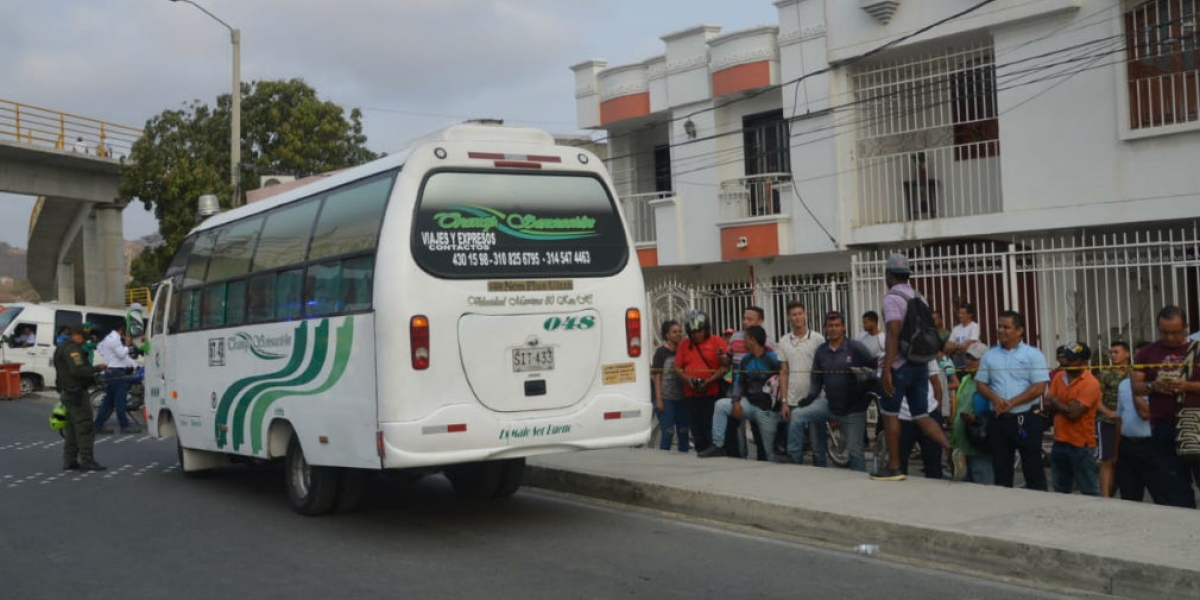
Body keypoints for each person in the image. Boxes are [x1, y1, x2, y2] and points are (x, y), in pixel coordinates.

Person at [871, 253, 952, 481]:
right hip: (921, 364)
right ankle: (950, 449)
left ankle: (895, 467)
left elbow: (894, 332)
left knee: (890, 415)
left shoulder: (891, 298)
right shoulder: (919, 296)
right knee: (922, 414)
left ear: (889, 275)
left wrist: (887, 368)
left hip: (900, 365)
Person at [785, 311, 876, 470]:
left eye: (837, 325)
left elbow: (874, 369)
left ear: (843, 328)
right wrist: (811, 397)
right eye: (830, 326)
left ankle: (860, 485)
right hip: (829, 405)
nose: (833, 329)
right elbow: (816, 379)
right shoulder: (821, 351)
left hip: (853, 411)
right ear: (825, 328)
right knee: (798, 415)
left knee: (855, 452)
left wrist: (866, 390)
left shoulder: (855, 348)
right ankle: (794, 459)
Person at [1132, 305, 1200, 508]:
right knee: (1174, 482)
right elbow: (1136, 387)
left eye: (1175, 332)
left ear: (1186, 327)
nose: (1170, 337)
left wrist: (1186, 386)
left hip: (1195, 423)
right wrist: (1154, 386)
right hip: (1163, 425)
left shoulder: (1197, 351)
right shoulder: (1147, 353)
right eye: (1164, 332)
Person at [976, 310, 1051, 490]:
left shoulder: (1033, 354)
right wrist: (995, 398)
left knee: (1033, 468)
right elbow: (981, 384)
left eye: (1006, 327)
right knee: (1001, 470)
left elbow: (1039, 387)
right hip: (999, 420)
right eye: (999, 326)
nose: (1001, 330)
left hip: (1025, 418)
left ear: (1019, 330)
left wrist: (1011, 403)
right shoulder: (990, 355)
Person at [699, 326, 782, 459]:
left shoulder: (773, 359)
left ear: (753, 340)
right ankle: (718, 445)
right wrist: (735, 400)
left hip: (767, 409)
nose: (743, 341)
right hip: (749, 404)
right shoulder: (745, 359)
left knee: (769, 452)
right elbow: (739, 382)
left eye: (745, 339)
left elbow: (783, 380)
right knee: (721, 405)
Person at [1046, 343, 1101, 496]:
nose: (1066, 362)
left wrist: (1056, 402)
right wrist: (1062, 405)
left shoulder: (1091, 383)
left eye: (1072, 359)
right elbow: (1047, 404)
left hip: (1081, 444)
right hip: (1059, 440)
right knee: (1060, 489)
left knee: (1089, 489)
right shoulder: (1058, 377)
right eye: (1066, 358)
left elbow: (1073, 415)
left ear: (1084, 362)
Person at [723, 306, 776, 459]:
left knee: (759, 428)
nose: (745, 322)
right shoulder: (735, 338)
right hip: (737, 387)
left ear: (760, 321)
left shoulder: (769, 342)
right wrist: (723, 359)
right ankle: (738, 458)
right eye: (744, 318)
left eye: (750, 319)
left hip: (759, 391)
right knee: (735, 424)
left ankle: (763, 459)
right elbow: (728, 359)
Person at [1116, 343, 1166, 503]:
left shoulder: (1161, 385)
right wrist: (1116, 452)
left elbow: (1145, 414)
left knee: (1162, 496)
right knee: (1129, 498)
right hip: (1128, 446)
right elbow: (1119, 418)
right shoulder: (1123, 385)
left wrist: (1136, 389)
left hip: (1151, 446)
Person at [674, 310, 728, 455]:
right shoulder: (684, 345)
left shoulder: (717, 342)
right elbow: (677, 367)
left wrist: (710, 380)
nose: (696, 334)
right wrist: (687, 379)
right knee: (697, 432)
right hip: (691, 395)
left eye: (699, 331)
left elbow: (726, 367)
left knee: (711, 429)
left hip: (711, 394)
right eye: (693, 332)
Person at [777, 301, 825, 462]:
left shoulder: (818, 339)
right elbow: (783, 372)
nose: (797, 317)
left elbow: (824, 368)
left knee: (818, 447)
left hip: (815, 400)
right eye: (793, 314)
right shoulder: (783, 341)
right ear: (788, 318)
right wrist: (784, 401)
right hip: (792, 400)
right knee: (794, 447)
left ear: (805, 315)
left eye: (800, 313)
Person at [53, 326, 106, 472]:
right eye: (83, 338)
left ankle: (69, 460)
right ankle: (87, 461)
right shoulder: (73, 350)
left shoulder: (61, 347)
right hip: (76, 393)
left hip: (67, 392)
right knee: (85, 427)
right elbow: (78, 370)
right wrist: (97, 368)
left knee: (71, 429)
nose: (84, 342)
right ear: (76, 335)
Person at [949, 342, 993, 484]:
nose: (968, 361)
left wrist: (975, 419)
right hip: (963, 447)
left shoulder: (990, 383)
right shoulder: (966, 380)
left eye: (974, 359)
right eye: (967, 357)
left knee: (983, 487)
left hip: (980, 447)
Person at [897, 360, 946, 479]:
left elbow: (936, 384)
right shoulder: (890, 356)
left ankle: (950, 450)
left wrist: (937, 412)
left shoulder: (926, 351)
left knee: (933, 464)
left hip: (927, 412)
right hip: (902, 417)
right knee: (899, 465)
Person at [1095, 342, 1130, 498]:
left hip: (1129, 423)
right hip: (1108, 422)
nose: (1113, 355)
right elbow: (1096, 399)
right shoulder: (1106, 374)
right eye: (1111, 352)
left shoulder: (1134, 373)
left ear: (1127, 354)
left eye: (1117, 352)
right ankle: (1105, 497)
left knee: (1124, 459)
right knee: (1107, 459)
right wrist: (1108, 412)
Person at [94, 322, 141, 434]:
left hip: (111, 370)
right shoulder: (114, 339)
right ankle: (124, 426)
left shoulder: (107, 338)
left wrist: (110, 359)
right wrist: (128, 345)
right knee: (120, 401)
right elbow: (121, 354)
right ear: (121, 329)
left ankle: (98, 425)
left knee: (108, 402)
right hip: (117, 373)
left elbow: (100, 348)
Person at [652, 320, 689, 453]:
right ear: (667, 335)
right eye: (674, 332)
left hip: (683, 398)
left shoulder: (684, 351)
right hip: (666, 398)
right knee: (668, 432)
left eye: (680, 331)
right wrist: (659, 399)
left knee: (684, 431)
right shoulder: (661, 352)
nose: (678, 334)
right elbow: (657, 376)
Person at [944, 303, 981, 370]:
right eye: (959, 313)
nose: (960, 315)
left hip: (969, 364)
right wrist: (961, 347)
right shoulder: (956, 328)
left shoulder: (974, 326)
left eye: (963, 313)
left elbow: (971, 345)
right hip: (956, 363)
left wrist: (954, 348)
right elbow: (947, 347)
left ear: (970, 314)